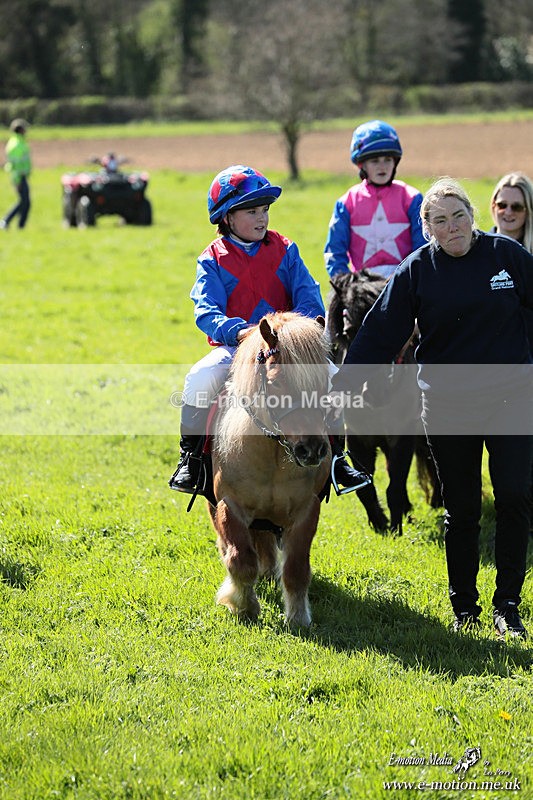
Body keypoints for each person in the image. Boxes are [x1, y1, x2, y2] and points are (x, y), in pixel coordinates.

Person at [338, 177, 533, 639]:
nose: (452, 228)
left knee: (514, 497)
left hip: (512, 398)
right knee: (461, 508)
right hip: (448, 405)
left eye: (459, 216)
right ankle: (465, 609)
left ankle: (508, 606)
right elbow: (379, 333)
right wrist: (342, 388)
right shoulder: (417, 271)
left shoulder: (508, 257)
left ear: (473, 215)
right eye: (440, 221)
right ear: (427, 228)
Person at [168, 164, 370, 498]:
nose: (262, 218)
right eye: (251, 211)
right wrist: (238, 333)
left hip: (285, 348)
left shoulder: (286, 249)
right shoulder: (212, 259)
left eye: (265, 210)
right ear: (227, 217)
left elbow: (308, 295)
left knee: (334, 377)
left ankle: (337, 459)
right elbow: (206, 311)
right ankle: (191, 459)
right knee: (200, 378)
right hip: (236, 348)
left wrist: (300, 330)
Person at [324, 119, 425, 279]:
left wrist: (410, 278)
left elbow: (423, 246)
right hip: (362, 286)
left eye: (387, 160)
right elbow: (335, 252)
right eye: (375, 161)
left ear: (395, 162)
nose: (382, 166)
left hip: (405, 282)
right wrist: (346, 284)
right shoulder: (346, 203)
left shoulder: (412, 198)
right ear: (361, 165)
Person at [489, 171, 533, 251]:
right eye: (502, 205)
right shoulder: (478, 247)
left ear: (528, 211)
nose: (508, 212)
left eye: (516, 207)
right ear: (494, 206)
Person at [1, 119, 31, 230]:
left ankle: (20, 225)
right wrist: (17, 180)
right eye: (25, 129)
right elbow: (15, 164)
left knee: (25, 202)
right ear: (20, 130)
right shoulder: (16, 144)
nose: (26, 131)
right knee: (24, 202)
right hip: (19, 177)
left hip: (22, 176)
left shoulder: (19, 142)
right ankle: (6, 221)